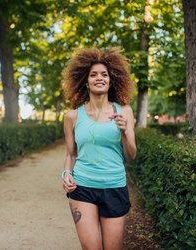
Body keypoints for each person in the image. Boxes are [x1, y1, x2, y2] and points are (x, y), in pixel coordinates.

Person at [61, 47, 137, 250]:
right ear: (85, 81)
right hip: (83, 187)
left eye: (104, 74)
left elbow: (132, 155)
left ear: (111, 79)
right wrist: (66, 173)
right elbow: (71, 154)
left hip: (114, 185)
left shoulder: (125, 111)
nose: (99, 78)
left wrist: (124, 131)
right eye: (93, 74)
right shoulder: (72, 116)